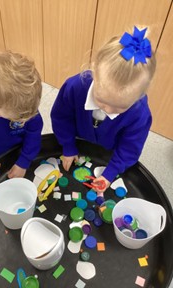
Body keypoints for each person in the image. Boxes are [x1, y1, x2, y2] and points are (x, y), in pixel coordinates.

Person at [51, 26, 156, 193]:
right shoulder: (75, 87)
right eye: (101, 100)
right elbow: (61, 118)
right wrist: (68, 146)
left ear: (140, 96)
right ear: (94, 71)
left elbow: (130, 147)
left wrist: (109, 173)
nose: (108, 110)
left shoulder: (139, 113)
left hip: (108, 151)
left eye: (120, 107)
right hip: (78, 140)